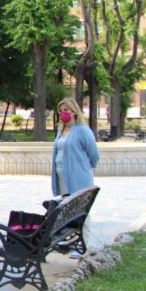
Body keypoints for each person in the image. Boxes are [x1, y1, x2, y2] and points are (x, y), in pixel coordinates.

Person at [52, 98, 100, 259]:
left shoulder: (82, 130)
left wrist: (85, 168)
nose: (62, 113)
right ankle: (74, 244)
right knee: (69, 211)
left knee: (82, 212)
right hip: (62, 177)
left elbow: (94, 154)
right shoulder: (61, 130)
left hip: (79, 177)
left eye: (66, 109)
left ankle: (86, 246)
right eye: (60, 110)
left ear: (74, 111)